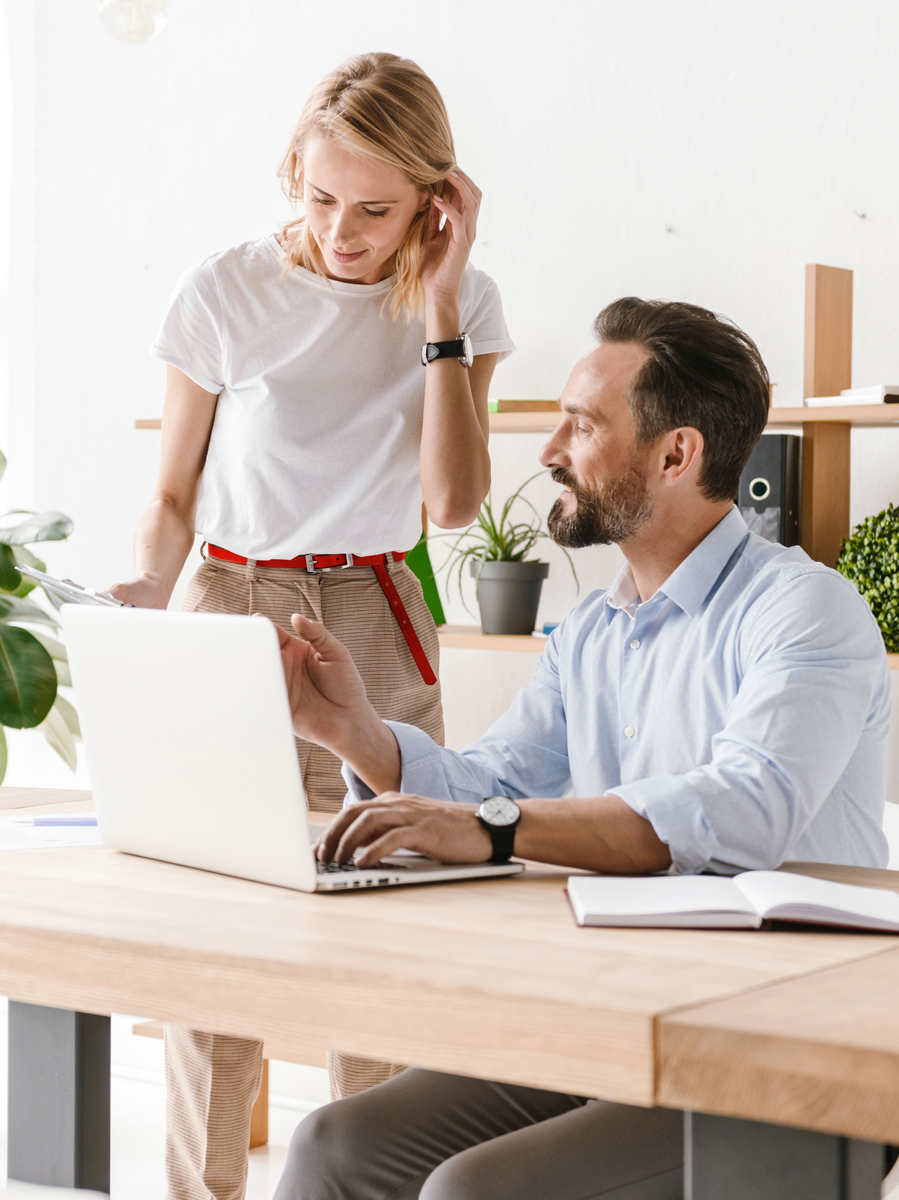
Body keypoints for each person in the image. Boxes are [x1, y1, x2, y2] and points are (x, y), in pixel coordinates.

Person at [268, 296, 891, 1200]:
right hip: (623, 1011)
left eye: (581, 425)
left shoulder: (805, 611)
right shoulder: (592, 630)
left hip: (789, 1049)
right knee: (332, 1145)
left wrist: (489, 829)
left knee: (474, 1192)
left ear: (676, 454)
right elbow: (492, 778)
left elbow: (740, 810)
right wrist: (352, 731)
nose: (549, 451)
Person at [109, 52, 513, 1200]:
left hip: (381, 607)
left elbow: (449, 503)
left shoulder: (464, 300)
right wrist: (150, 586)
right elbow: (173, 491)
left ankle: (358, 1183)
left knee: (379, 906)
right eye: (320, 196)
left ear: (436, 200)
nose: (341, 229)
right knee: (216, 913)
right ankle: (203, 1190)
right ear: (294, 171)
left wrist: (436, 304)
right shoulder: (226, 287)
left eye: (376, 209)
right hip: (232, 597)